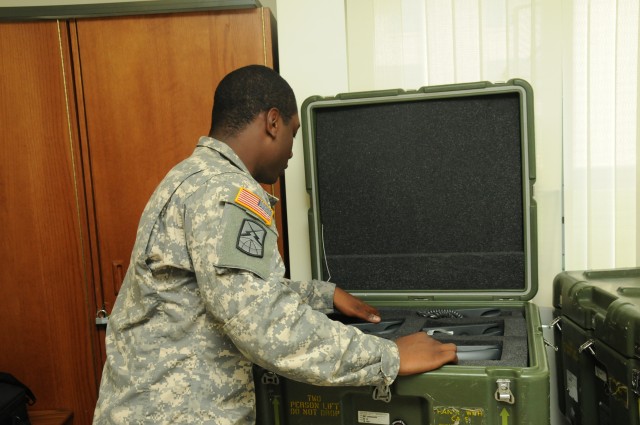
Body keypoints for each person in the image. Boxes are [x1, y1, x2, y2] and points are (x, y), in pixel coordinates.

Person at [92, 64, 457, 425]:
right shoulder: (228, 192)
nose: (292, 152)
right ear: (272, 122)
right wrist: (387, 357)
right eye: (293, 133)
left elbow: (222, 290)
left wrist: (322, 295)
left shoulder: (188, 177)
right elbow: (262, 322)